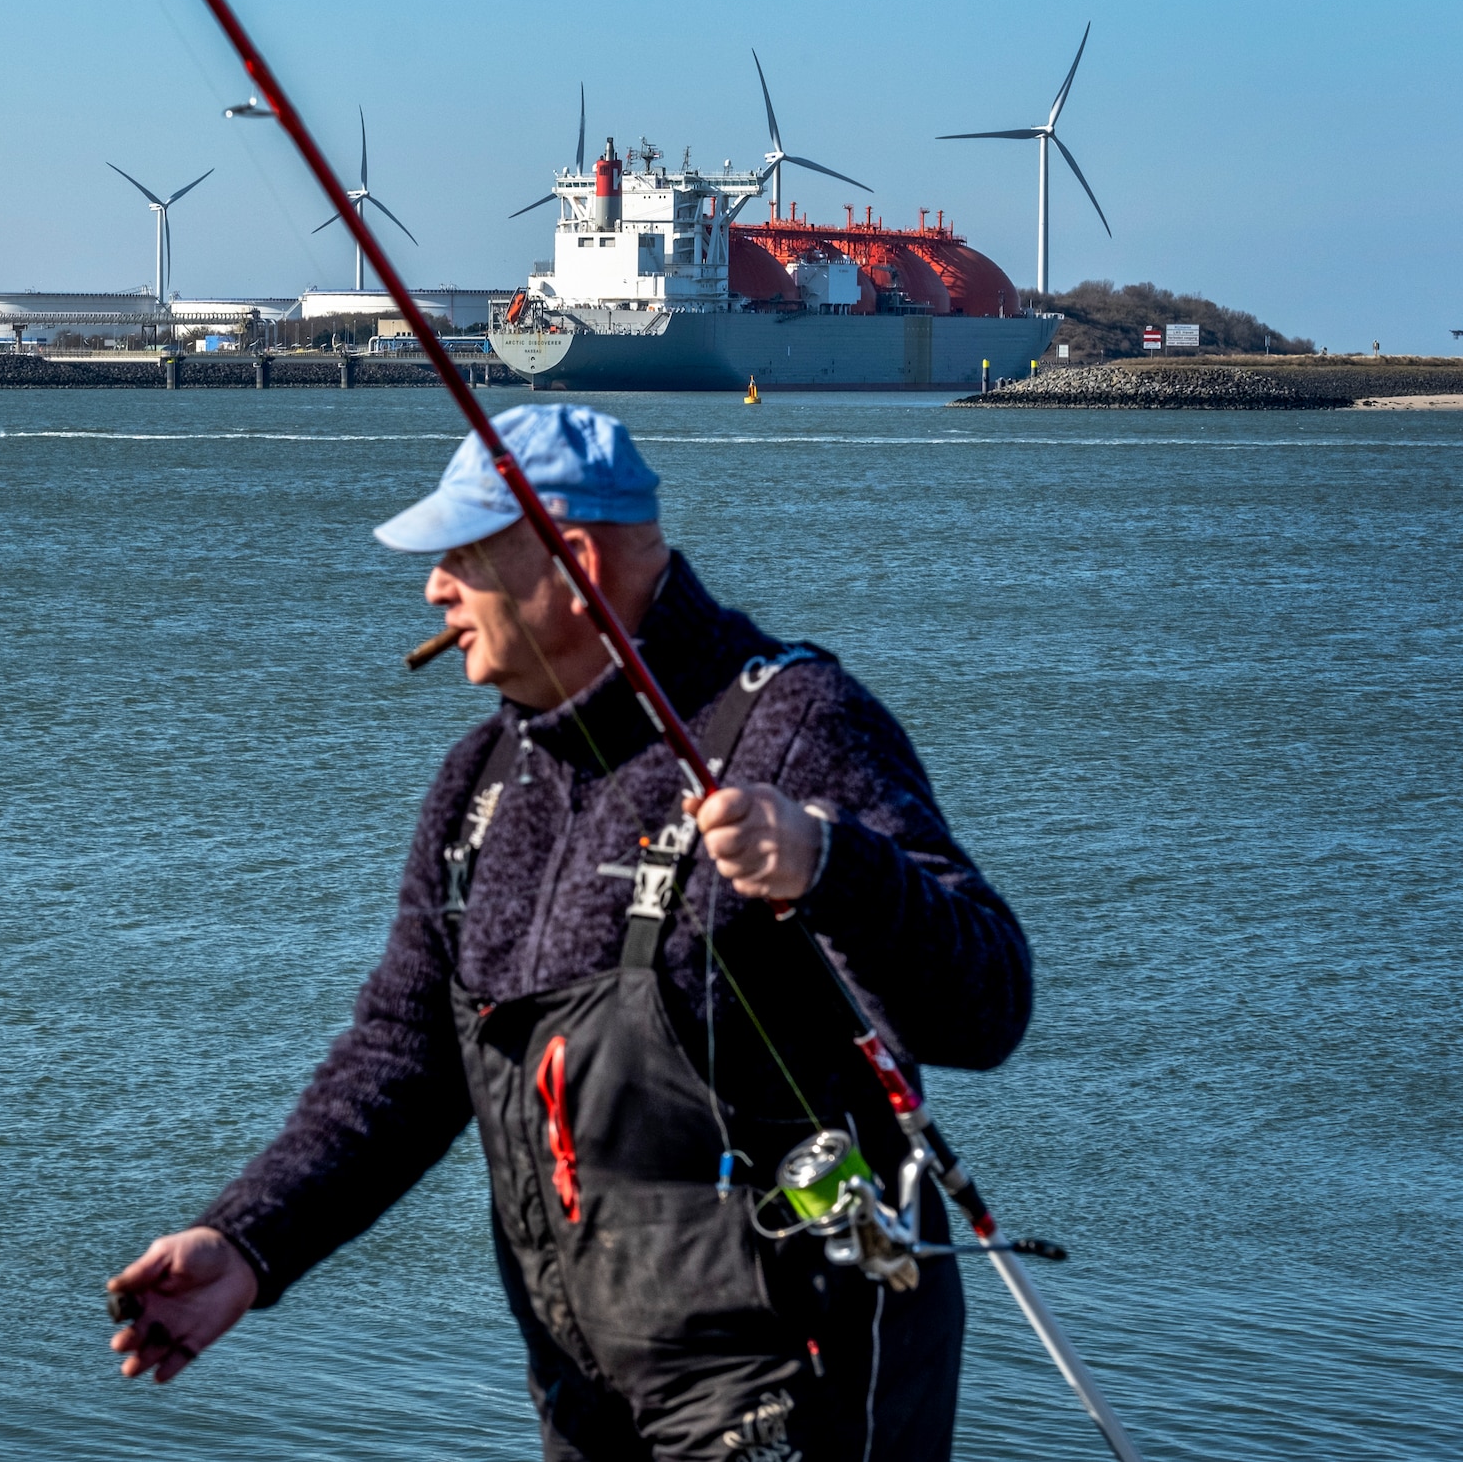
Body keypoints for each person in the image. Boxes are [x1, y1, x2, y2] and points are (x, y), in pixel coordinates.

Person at [106, 403, 1032, 1461]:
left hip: (797, 1391)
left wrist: (833, 863)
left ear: (572, 562)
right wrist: (249, 1241)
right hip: (587, 1405)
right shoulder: (476, 784)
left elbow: (988, 1005)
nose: (432, 589)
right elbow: (404, 1056)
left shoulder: (795, 722)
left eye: (459, 556)